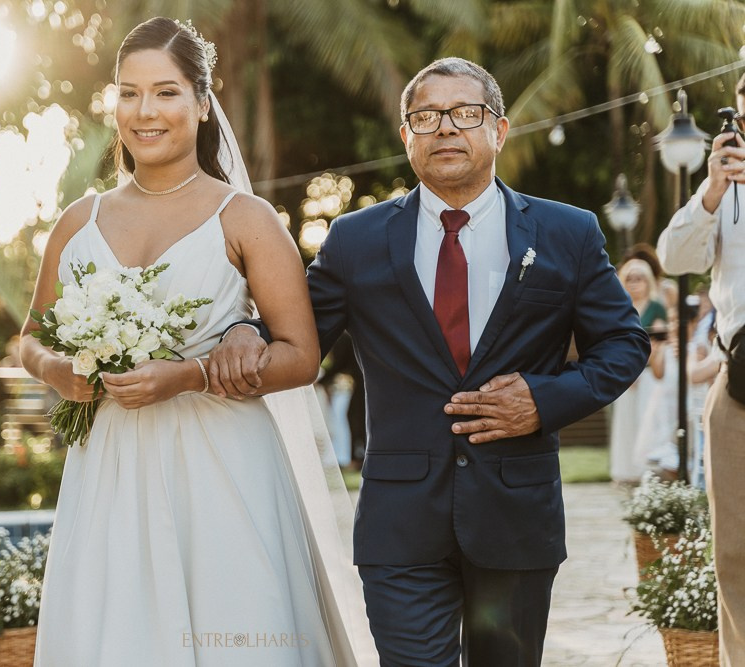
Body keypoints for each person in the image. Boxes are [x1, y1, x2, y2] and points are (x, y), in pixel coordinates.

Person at [210, 57, 649, 666]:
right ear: (405, 137)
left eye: (465, 113)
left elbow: (625, 345)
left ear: (498, 130)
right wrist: (241, 329)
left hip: (517, 519)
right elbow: (296, 330)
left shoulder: (566, 233)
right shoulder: (356, 239)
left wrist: (542, 401)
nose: (444, 128)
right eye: (425, 116)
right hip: (400, 526)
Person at [20, 18, 370, 666]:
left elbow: (299, 355)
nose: (144, 111)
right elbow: (28, 339)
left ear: (203, 104)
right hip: (110, 466)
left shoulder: (245, 218)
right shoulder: (78, 221)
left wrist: (191, 375)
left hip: (222, 462)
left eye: (166, 92)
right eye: (128, 93)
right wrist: (59, 369)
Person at [657, 72, 745, 666]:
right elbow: (675, 258)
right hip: (740, 385)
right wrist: (711, 191)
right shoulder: (726, 184)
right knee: (736, 549)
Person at [609, 258, 667, 483]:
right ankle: (625, 469)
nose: (634, 283)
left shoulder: (656, 307)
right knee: (625, 422)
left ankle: (645, 470)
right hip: (624, 375)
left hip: (648, 374)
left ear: (648, 281)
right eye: (629, 278)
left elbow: (658, 342)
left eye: (639, 278)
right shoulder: (620, 307)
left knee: (646, 422)